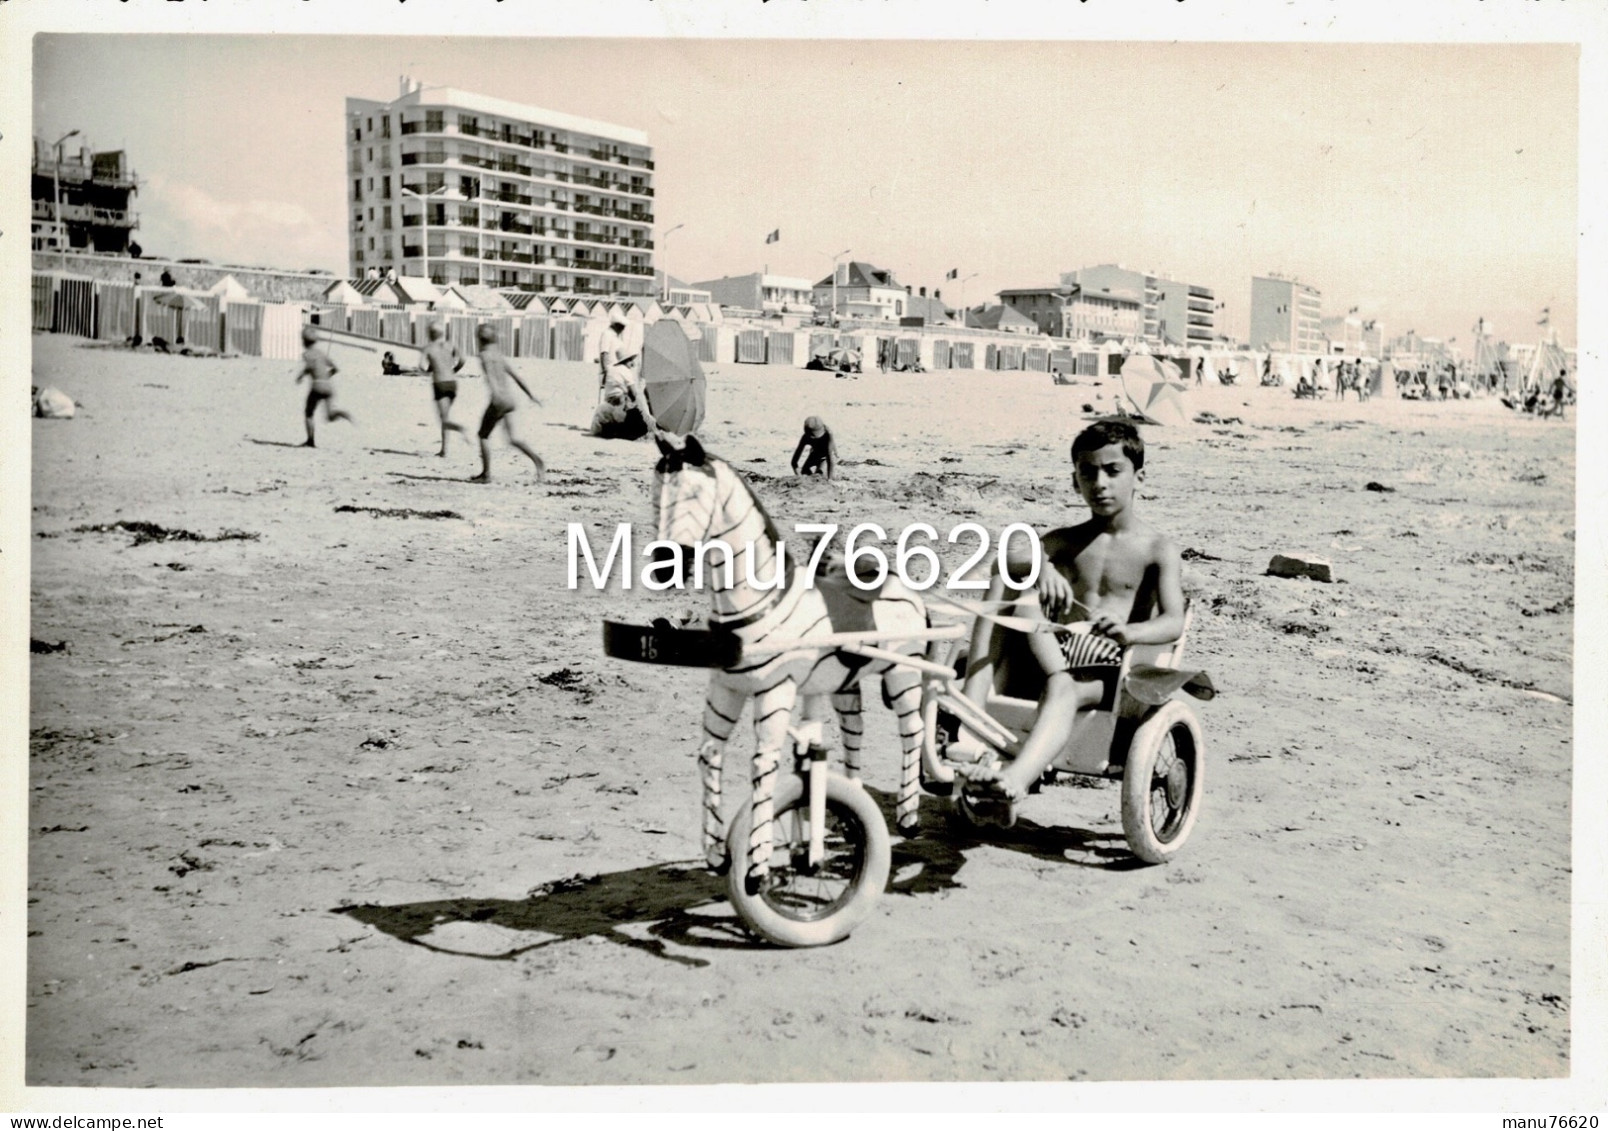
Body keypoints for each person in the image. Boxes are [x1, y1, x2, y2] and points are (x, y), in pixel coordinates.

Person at [950, 418, 1186, 826]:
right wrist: (1040, 567)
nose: (1100, 483)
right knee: (1013, 580)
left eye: (1113, 471)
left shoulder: (1157, 549)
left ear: (1138, 477)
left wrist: (1130, 632)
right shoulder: (1064, 540)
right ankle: (972, 708)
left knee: (1063, 688)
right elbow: (1003, 563)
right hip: (1052, 655)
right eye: (1088, 472)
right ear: (1075, 480)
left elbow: (1173, 622)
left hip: (1110, 670)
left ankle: (1014, 782)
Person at [474, 324, 545, 483]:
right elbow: (517, 377)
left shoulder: (484, 355)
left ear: (479, 339)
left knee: (483, 435)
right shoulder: (499, 355)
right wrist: (531, 395)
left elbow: (491, 377)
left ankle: (486, 475)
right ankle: (537, 461)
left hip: (499, 399)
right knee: (513, 439)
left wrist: (495, 395)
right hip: (510, 400)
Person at [295, 325, 354, 448]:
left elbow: (310, 366)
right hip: (328, 386)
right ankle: (341, 414)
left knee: (308, 413)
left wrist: (301, 376)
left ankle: (310, 441)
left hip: (317, 386)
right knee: (330, 416)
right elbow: (335, 368)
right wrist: (326, 376)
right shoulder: (321, 353)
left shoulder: (306, 354)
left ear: (304, 341)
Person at [420, 321, 468, 457]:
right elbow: (463, 359)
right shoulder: (451, 344)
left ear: (430, 334)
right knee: (445, 417)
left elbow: (421, 366)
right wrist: (454, 370)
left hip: (439, 383)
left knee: (444, 419)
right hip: (452, 382)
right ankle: (444, 450)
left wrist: (428, 372)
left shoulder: (428, 348)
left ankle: (460, 429)